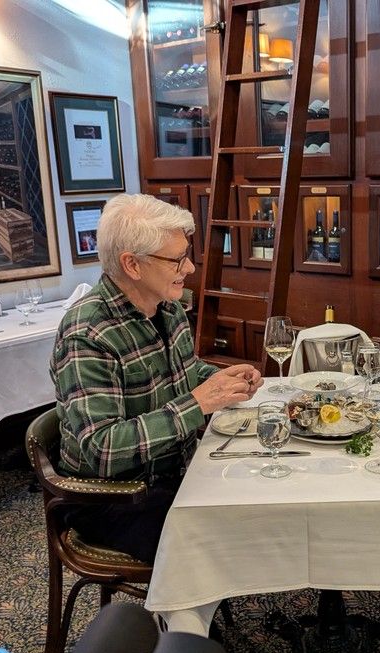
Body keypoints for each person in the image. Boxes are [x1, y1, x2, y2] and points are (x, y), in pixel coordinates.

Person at [50, 193, 262, 563]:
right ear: (132, 265)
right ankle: (184, 620)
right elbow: (102, 449)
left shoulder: (168, 307)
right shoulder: (87, 334)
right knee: (224, 537)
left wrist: (223, 379)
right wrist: (199, 403)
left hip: (173, 471)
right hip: (114, 496)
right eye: (177, 259)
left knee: (261, 493)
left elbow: (184, 371)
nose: (190, 268)